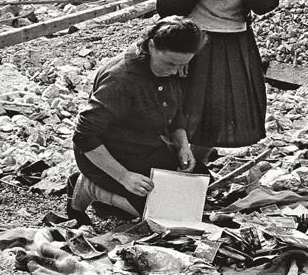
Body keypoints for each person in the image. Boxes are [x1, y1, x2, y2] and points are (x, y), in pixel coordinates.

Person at [156, 0, 286, 174]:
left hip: (233, 36)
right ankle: (165, 167)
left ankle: (192, 169)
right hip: (192, 32)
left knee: (216, 115)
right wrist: (176, 48)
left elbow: (263, 5)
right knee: (178, 110)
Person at [67, 16, 208, 224]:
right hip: (107, 156)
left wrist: (182, 145)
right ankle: (88, 185)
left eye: (182, 65)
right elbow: (84, 136)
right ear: (151, 46)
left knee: (195, 195)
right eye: (169, 63)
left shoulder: (166, 67)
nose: (175, 71)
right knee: (157, 217)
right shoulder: (121, 79)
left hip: (143, 149)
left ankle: (115, 200)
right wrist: (124, 177)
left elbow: (175, 111)